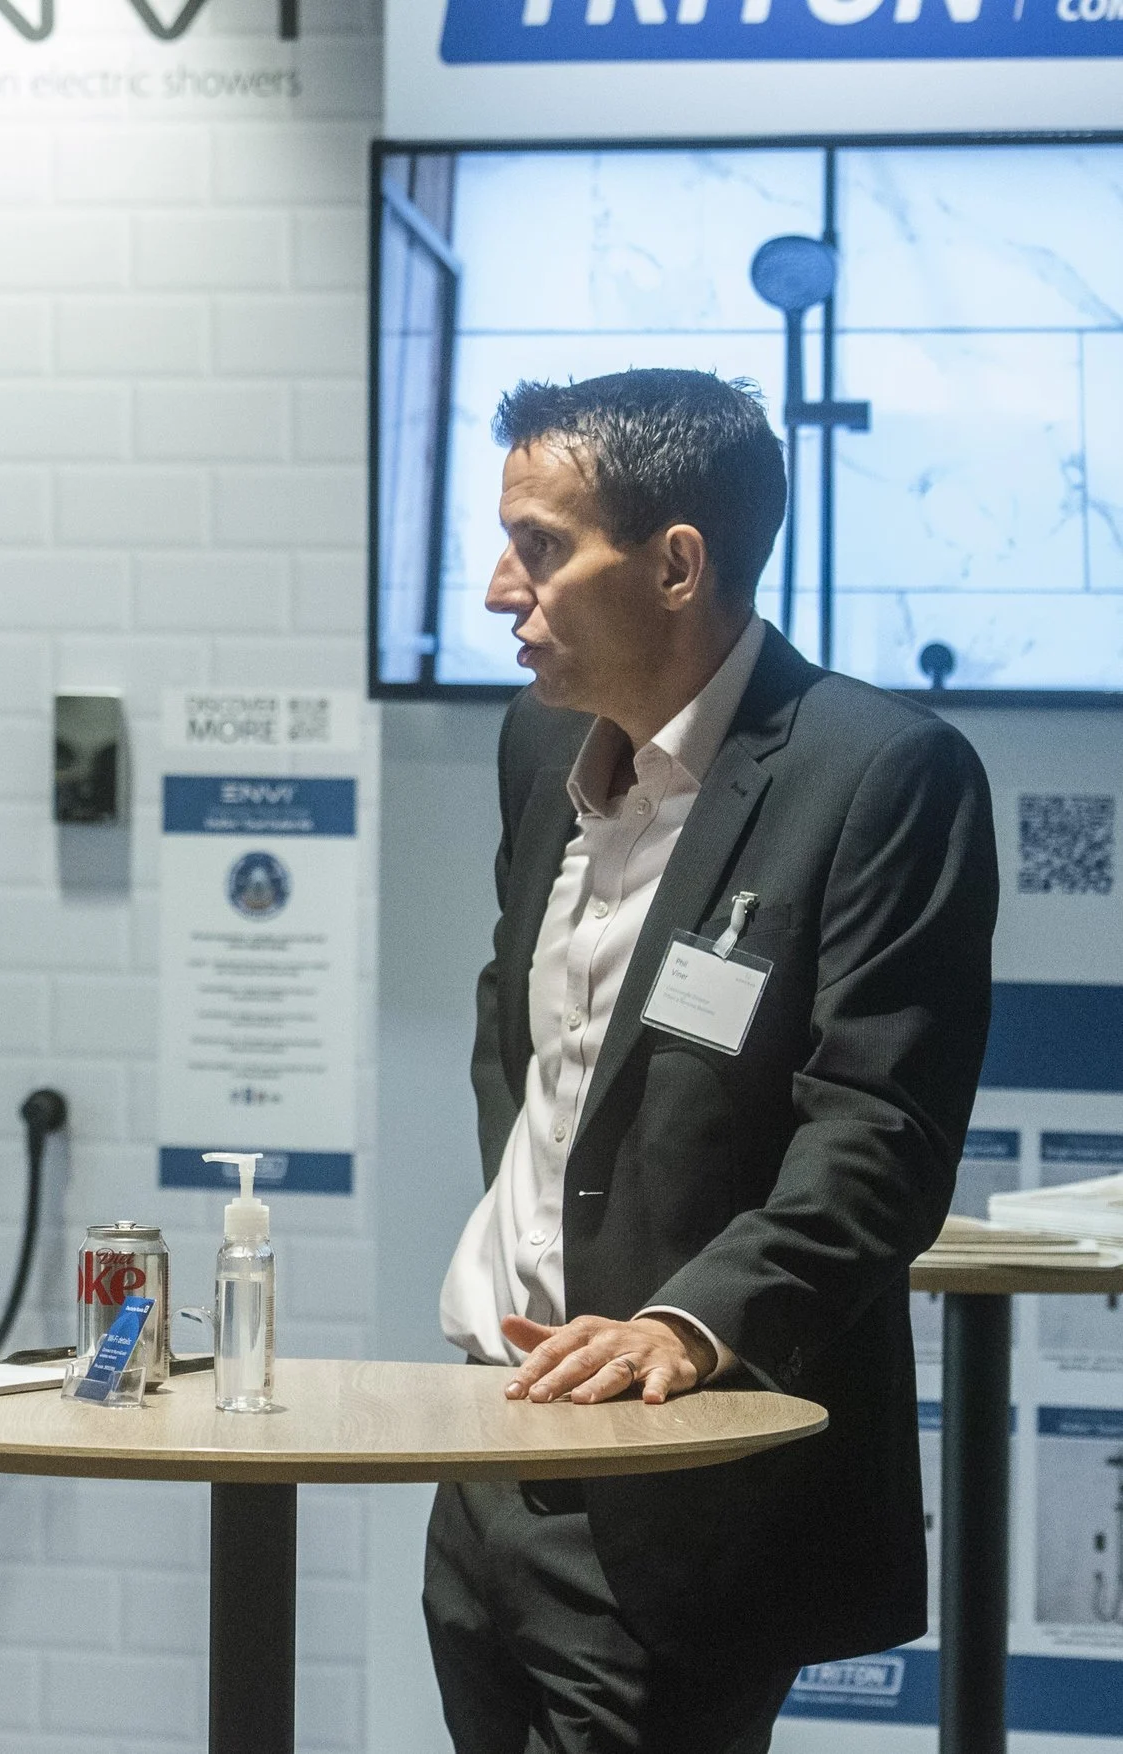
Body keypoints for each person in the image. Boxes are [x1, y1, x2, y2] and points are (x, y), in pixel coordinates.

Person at [427, 369, 997, 1754]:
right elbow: (528, 1047)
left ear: (679, 563)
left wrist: (683, 1323)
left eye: (544, 547)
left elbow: (877, 1131)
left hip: (683, 1490)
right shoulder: (535, 743)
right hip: (491, 1452)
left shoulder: (881, 774)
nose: (504, 588)